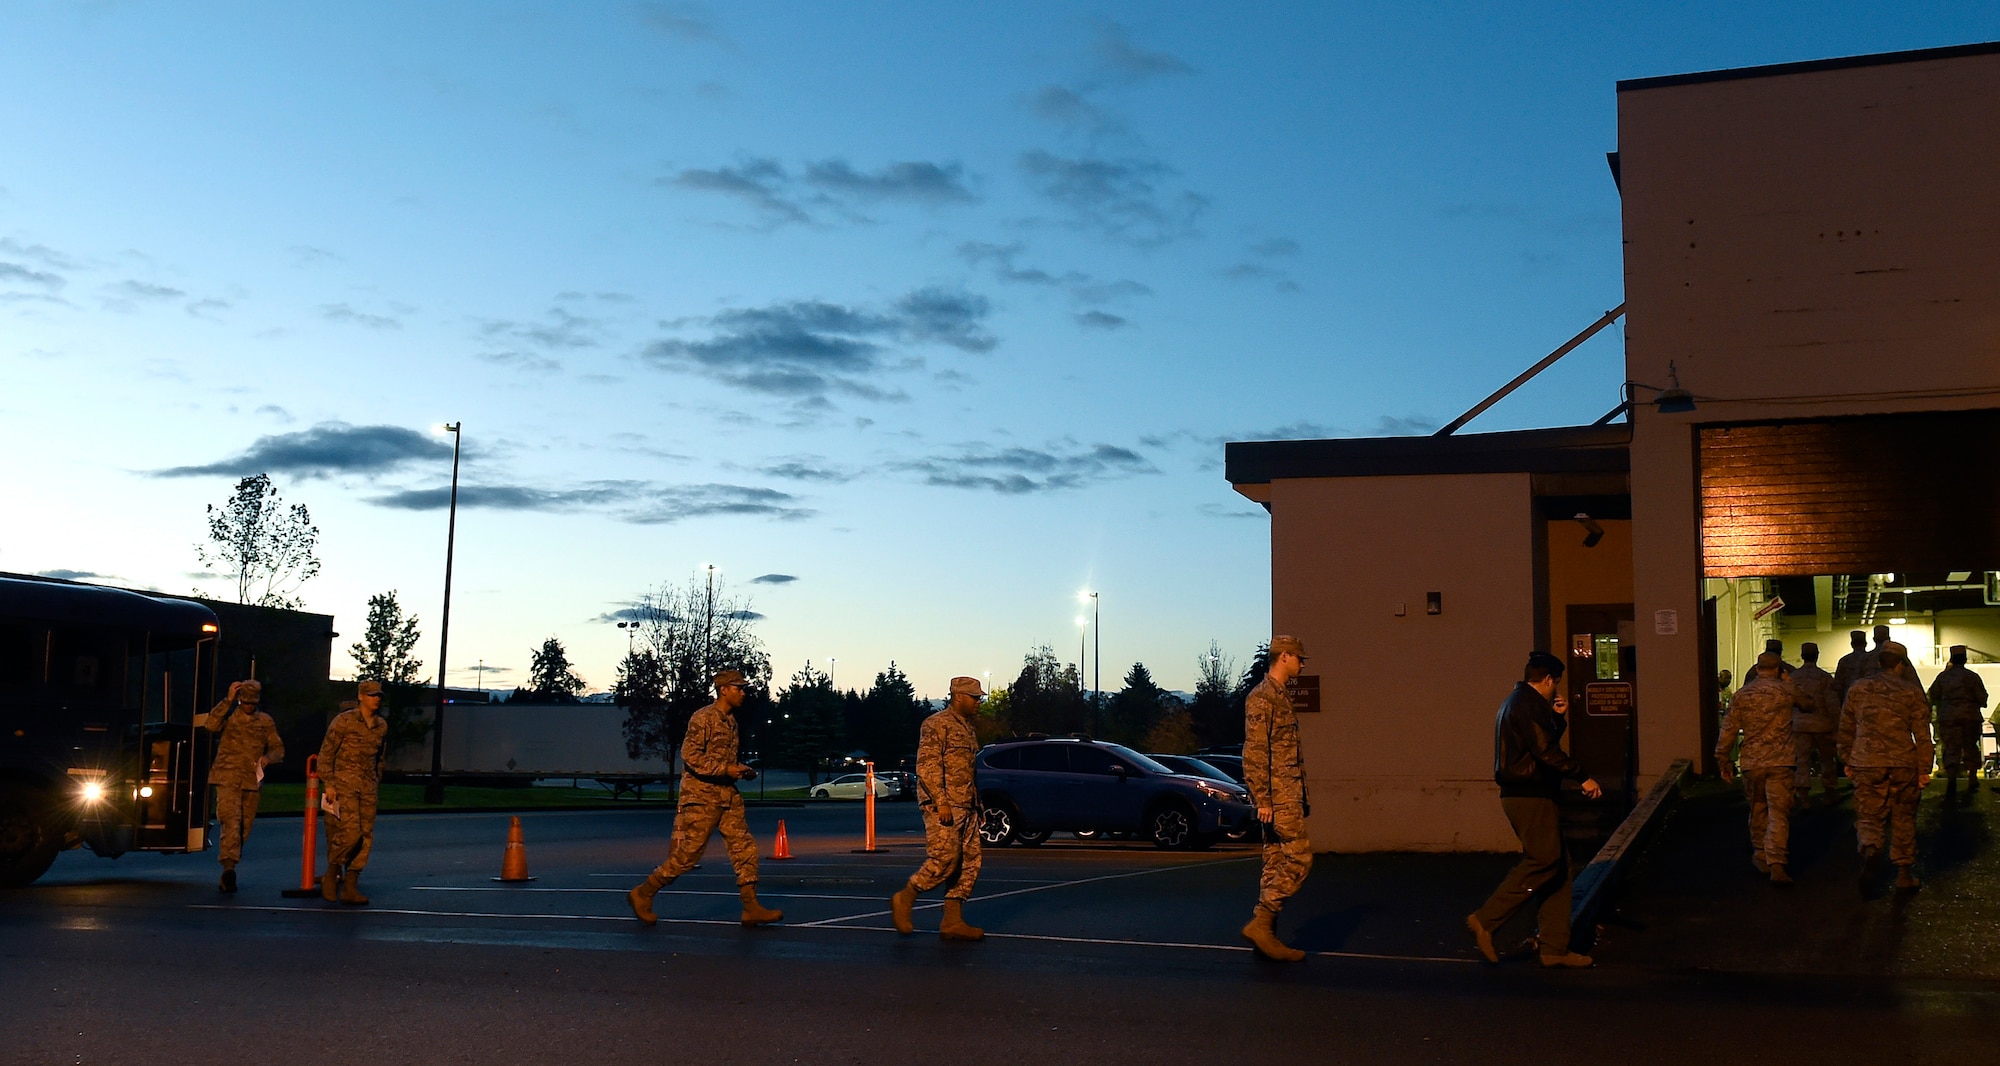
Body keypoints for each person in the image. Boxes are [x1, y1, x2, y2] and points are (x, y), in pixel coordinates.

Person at [1468, 651, 1603, 968]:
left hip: (1524, 793)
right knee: (1545, 859)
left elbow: (1538, 745)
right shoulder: (1527, 705)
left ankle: (1555, 947)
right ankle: (1486, 919)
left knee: (1560, 868)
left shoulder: (1515, 703)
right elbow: (1545, 752)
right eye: (1556, 684)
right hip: (1530, 794)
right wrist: (1582, 776)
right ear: (1549, 680)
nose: (1556, 689)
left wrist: (1555, 719)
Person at [627, 669, 782, 928]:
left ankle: (750, 906)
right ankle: (643, 893)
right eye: (738, 688)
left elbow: (723, 761)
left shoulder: (731, 721)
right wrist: (725, 769)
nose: (743, 693)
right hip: (701, 797)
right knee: (687, 855)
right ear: (724, 689)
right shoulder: (703, 718)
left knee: (745, 847)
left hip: (726, 794)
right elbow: (691, 756)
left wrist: (740, 770)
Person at [890, 677, 986, 941]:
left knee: (969, 862)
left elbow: (968, 771)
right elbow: (927, 766)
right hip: (943, 805)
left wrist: (978, 807)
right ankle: (906, 897)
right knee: (945, 858)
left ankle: (952, 921)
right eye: (974, 697)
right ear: (958, 696)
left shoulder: (967, 728)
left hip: (966, 805)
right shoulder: (936, 724)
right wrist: (941, 801)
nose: (979, 702)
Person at [1838, 641, 1933, 893]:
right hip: (1903, 762)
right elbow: (1922, 735)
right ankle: (1903, 873)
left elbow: (1846, 728)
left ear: (1879, 663)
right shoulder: (1911, 692)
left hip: (1866, 761)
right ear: (1901, 665)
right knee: (1903, 816)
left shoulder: (1858, 689)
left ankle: (1871, 849)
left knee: (1869, 815)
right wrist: (1924, 768)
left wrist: (1847, 759)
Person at [1241, 634, 1312, 962]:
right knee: (1299, 858)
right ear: (1284, 656)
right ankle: (1263, 919)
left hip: (1285, 795)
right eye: (1299, 658)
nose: (1302, 663)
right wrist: (1264, 799)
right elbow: (1255, 752)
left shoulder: (1279, 696)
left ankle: (1266, 936)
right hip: (1279, 798)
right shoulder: (1263, 697)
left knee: (1274, 862)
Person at [1717, 653, 1799, 884]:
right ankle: (1777, 862)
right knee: (1779, 813)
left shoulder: (1742, 695)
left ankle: (1760, 852)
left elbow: (1729, 730)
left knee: (1758, 806)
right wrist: (1789, 683)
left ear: (1757, 669)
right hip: (1781, 761)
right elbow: (1809, 704)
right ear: (1780, 669)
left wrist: (1723, 760)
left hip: (1753, 762)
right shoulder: (1786, 691)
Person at [203, 679, 284, 893]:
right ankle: (228, 868)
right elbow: (210, 725)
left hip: (251, 780)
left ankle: (231, 863)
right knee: (231, 821)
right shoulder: (229, 716)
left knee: (243, 828)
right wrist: (227, 700)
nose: (248, 706)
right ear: (240, 700)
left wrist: (268, 758)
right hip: (227, 776)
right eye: (245, 702)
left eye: (252, 703)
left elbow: (278, 748)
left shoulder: (265, 721)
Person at [319, 681, 389, 905]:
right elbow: (326, 754)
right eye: (371, 695)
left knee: (365, 837)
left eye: (378, 695)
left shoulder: (381, 726)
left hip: (368, 787)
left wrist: (377, 780)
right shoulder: (344, 721)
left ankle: (351, 885)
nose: (376, 699)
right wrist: (328, 783)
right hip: (344, 784)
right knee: (351, 833)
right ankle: (332, 872)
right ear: (361, 696)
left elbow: (380, 757)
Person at [1928, 646, 1989, 799]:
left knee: (1951, 748)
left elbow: (1933, 695)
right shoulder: (1972, 677)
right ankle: (1972, 778)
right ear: (1965, 659)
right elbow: (1982, 698)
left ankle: (1952, 779)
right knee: (1970, 747)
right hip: (1970, 717)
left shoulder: (1943, 677)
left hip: (1949, 717)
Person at [1790, 642, 1841, 805]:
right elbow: (1832, 705)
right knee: (1827, 760)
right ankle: (1829, 792)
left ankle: (1804, 796)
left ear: (1802, 656)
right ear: (1817, 655)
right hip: (1822, 726)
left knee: (1802, 760)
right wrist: (1837, 727)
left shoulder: (1793, 678)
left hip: (1799, 726)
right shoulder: (1825, 678)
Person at [1832, 630, 1869, 706]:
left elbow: (1838, 687)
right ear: (1865, 644)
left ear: (1852, 644)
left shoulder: (1844, 661)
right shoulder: (1871, 659)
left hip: (1849, 700)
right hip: (1868, 701)